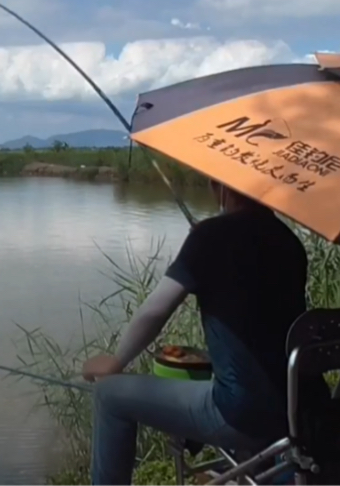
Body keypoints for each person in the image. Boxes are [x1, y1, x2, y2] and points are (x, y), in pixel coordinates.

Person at [82, 180, 316, 485]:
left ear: (222, 187)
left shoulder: (211, 237)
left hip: (240, 415)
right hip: (298, 409)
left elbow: (156, 309)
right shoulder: (289, 242)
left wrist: (116, 361)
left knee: (109, 395)